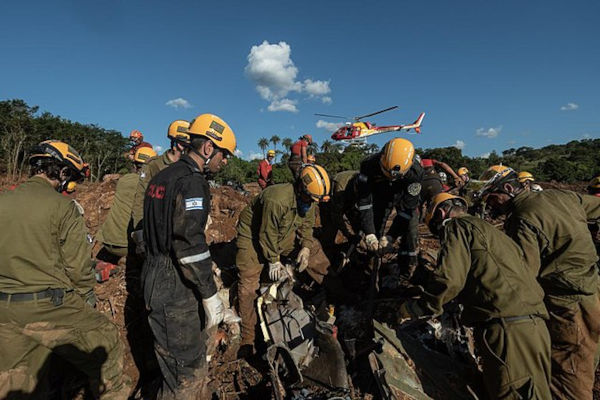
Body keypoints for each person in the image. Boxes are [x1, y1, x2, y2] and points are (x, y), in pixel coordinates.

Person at [0, 140, 129, 399]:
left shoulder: (3, 200)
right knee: (107, 340)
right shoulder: (63, 208)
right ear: (62, 172)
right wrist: (87, 300)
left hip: (4, 308)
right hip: (47, 306)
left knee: (17, 380)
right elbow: (78, 268)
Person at [399, 193, 551, 399]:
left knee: (513, 393)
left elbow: (450, 280)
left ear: (442, 214)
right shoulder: (493, 233)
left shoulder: (456, 227)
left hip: (507, 329)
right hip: (534, 327)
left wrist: (416, 308)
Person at [480, 165, 600, 400]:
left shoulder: (521, 219)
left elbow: (525, 275)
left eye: (493, 197)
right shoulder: (560, 196)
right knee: (588, 355)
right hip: (593, 292)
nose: (491, 204)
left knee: (568, 376)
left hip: (565, 307)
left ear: (507, 188)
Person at [141, 114, 238, 398]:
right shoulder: (192, 182)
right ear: (208, 148)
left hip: (154, 272)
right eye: (224, 154)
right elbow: (189, 243)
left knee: (171, 363)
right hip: (173, 285)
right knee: (187, 373)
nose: (226, 161)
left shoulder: (162, 176)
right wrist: (210, 294)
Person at [236, 164, 332, 357]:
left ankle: (333, 292)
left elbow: (306, 225)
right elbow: (266, 233)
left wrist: (305, 246)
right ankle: (249, 340)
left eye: (315, 201)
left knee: (313, 249)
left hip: (282, 234)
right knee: (248, 284)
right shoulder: (277, 199)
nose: (312, 203)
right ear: (300, 189)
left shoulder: (309, 201)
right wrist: (273, 260)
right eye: (310, 199)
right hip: (253, 236)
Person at [357, 138, 424, 282]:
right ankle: (371, 265)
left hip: (402, 196)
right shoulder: (368, 165)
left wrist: (391, 236)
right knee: (376, 225)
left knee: (410, 228)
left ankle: (407, 268)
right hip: (379, 195)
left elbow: (408, 209)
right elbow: (364, 202)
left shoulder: (415, 173)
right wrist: (369, 233)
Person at [131, 120, 190, 252]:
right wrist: (140, 232)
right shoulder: (154, 165)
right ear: (178, 144)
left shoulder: (187, 168)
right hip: (156, 228)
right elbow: (141, 198)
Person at [97, 147, 157, 261]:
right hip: (126, 247)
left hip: (106, 241)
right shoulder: (150, 184)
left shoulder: (124, 180)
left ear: (134, 164)